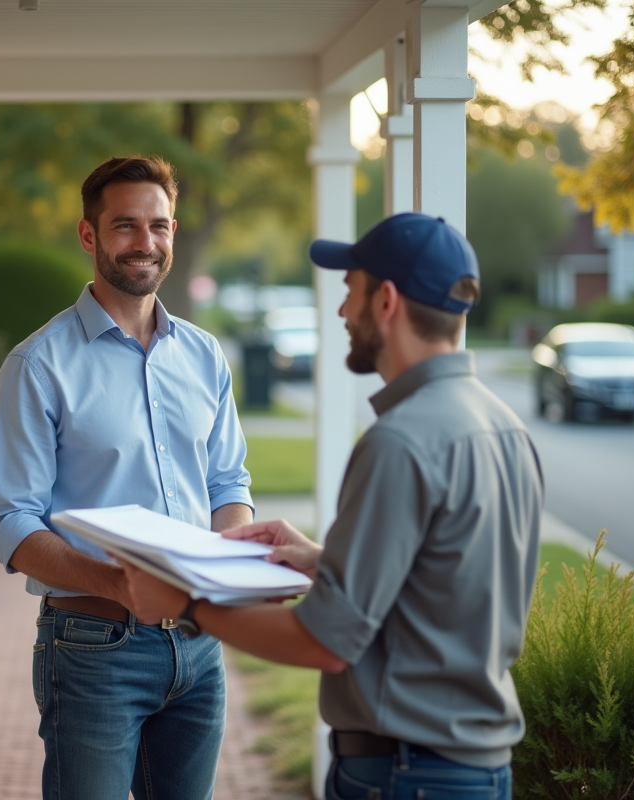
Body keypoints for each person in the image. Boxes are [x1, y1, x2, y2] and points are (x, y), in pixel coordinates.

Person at [121, 213, 543, 799]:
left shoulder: (401, 441)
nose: (343, 312)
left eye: (351, 292)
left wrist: (187, 604)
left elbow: (324, 641)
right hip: (476, 770)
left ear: (387, 301)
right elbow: (453, 581)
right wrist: (325, 560)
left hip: (403, 775)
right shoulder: (502, 426)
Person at [0, 155, 255, 800]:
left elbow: (226, 483)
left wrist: (227, 560)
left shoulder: (204, 354)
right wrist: (122, 585)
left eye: (157, 226)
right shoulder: (38, 365)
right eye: (125, 225)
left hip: (198, 648)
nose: (145, 243)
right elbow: (8, 522)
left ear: (174, 231)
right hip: (91, 648)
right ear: (89, 236)